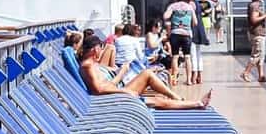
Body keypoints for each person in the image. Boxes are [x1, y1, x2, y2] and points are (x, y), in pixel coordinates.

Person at [79, 35, 212, 109]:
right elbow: (99, 90)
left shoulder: (91, 64)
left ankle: (184, 100)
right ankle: (196, 103)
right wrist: (124, 90)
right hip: (113, 100)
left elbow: (103, 85)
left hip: (115, 94)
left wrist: (120, 74)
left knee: (148, 74)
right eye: (100, 48)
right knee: (157, 100)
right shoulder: (87, 66)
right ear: (94, 49)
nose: (101, 51)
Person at [163, 0, 197, 87]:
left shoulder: (173, 6)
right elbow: (195, 22)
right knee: (187, 57)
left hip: (175, 33)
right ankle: (189, 80)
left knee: (175, 57)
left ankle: (174, 79)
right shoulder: (189, 7)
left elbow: (165, 16)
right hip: (186, 34)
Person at [241, 0, 266, 83]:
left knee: (261, 56)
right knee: (257, 55)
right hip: (257, 33)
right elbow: (254, 20)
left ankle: (261, 76)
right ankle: (246, 72)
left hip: (256, 32)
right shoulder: (256, 5)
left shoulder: (252, 4)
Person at [187, 0, 209, 85]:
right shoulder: (197, 3)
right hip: (200, 29)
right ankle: (199, 75)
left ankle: (194, 75)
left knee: (192, 54)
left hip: (192, 30)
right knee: (198, 53)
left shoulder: (190, 4)